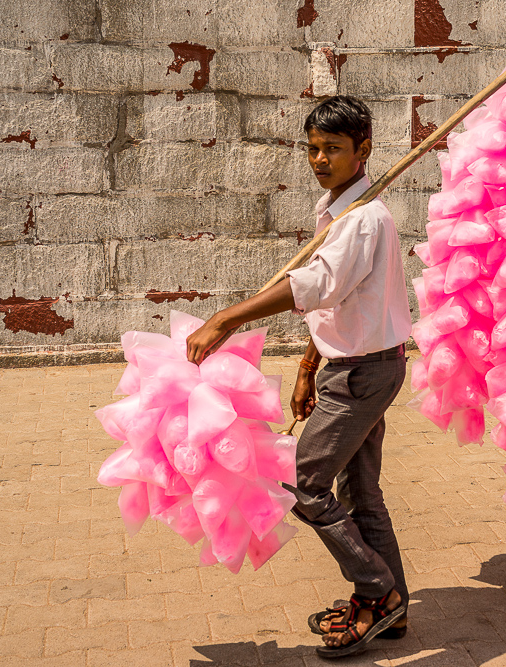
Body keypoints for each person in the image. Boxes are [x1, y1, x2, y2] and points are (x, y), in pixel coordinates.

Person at [186, 95, 412, 658]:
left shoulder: (364, 219)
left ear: (363, 151)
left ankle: (377, 590)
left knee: (301, 484)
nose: (318, 159)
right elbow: (339, 305)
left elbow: (318, 286)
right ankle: (392, 610)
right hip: (354, 365)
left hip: (364, 373)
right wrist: (310, 364)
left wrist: (227, 317)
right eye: (312, 148)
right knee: (360, 493)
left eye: (332, 149)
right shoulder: (337, 209)